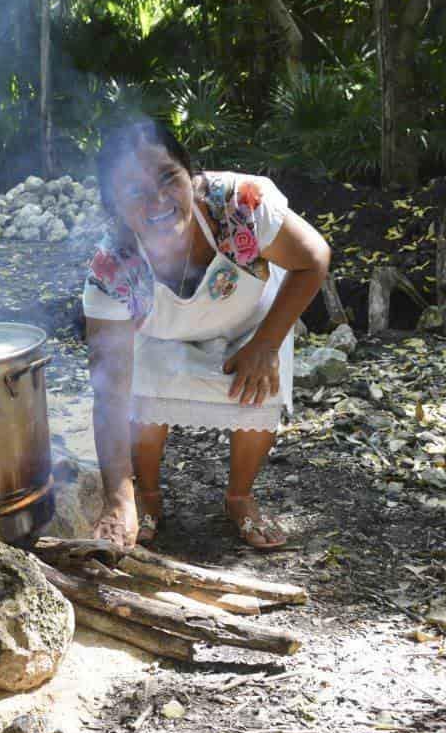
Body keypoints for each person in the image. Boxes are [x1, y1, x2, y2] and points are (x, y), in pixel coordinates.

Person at [84, 119, 330, 550]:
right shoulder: (111, 268)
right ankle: (146, 496)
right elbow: (109, 391)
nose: (158, 200)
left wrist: (265, 345)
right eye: (135, 192)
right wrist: (115, 497)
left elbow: (314, 258)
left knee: (257, 394)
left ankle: (239, 497)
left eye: (167, 178)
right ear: (114, 206)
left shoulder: (241, 204)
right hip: (162, 333)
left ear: (191, 174)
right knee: (142, 393)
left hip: (248, 323)